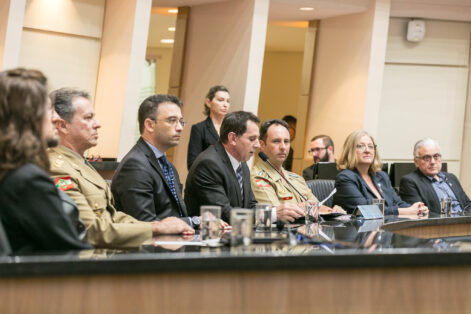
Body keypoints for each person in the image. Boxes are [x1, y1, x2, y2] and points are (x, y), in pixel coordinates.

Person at [48, 88, 194, 248]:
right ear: (62, 126)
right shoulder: (58, 169)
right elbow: (90, 230)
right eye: (88, 118)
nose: (97, 124)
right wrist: (156, 227)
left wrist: (162, 227)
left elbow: (112, 216)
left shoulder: (81, 164)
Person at [0, 68, 92, 253]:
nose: (56, 118)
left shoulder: (10, 171)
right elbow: (68, 250)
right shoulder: (27, 180)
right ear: (28, 116)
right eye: (49, 109)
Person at [251, 120, 346, 222]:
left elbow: (317, 207)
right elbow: (280, 214)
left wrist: (333, 211)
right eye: (276, 141)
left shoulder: (296, 178)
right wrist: (306, 207)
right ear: (262, 145)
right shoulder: (258, 177)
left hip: (307, 231)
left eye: (286, 141)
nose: (283, 147)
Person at [185, 111, 259, 222]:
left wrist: (275, 212)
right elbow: (225, 214)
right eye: (252, 139)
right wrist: (271, 215)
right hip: (206, 236)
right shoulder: (208, 164)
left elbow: (250, 205)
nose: (257, 144)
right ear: (233, 138)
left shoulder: (242, 164)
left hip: (234, 234)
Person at [332, 130, 428, 216]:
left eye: (370, 146)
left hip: (384, 230)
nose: (367, 150)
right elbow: (365, 209)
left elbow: (397, 202)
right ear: (350, 151)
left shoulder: (381, 176)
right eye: (360, 146)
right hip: (359, 232)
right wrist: (405, 211)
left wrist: (417, 208)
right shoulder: (345, 178)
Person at [399, 138, 471, 214]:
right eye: (426, 158)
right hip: (441, 224)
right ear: (416, 162)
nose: (433, 162)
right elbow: (421, 213)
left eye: (436, 156)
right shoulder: (409, 181)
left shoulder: (451, 177)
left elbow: (467, 204)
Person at [187, 85, 230, 170]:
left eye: (228, 101)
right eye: (220, 100)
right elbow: (192, 163)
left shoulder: (232, 130)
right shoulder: (199, 129)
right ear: (208, 102)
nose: (225, 105)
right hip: (207, 177)